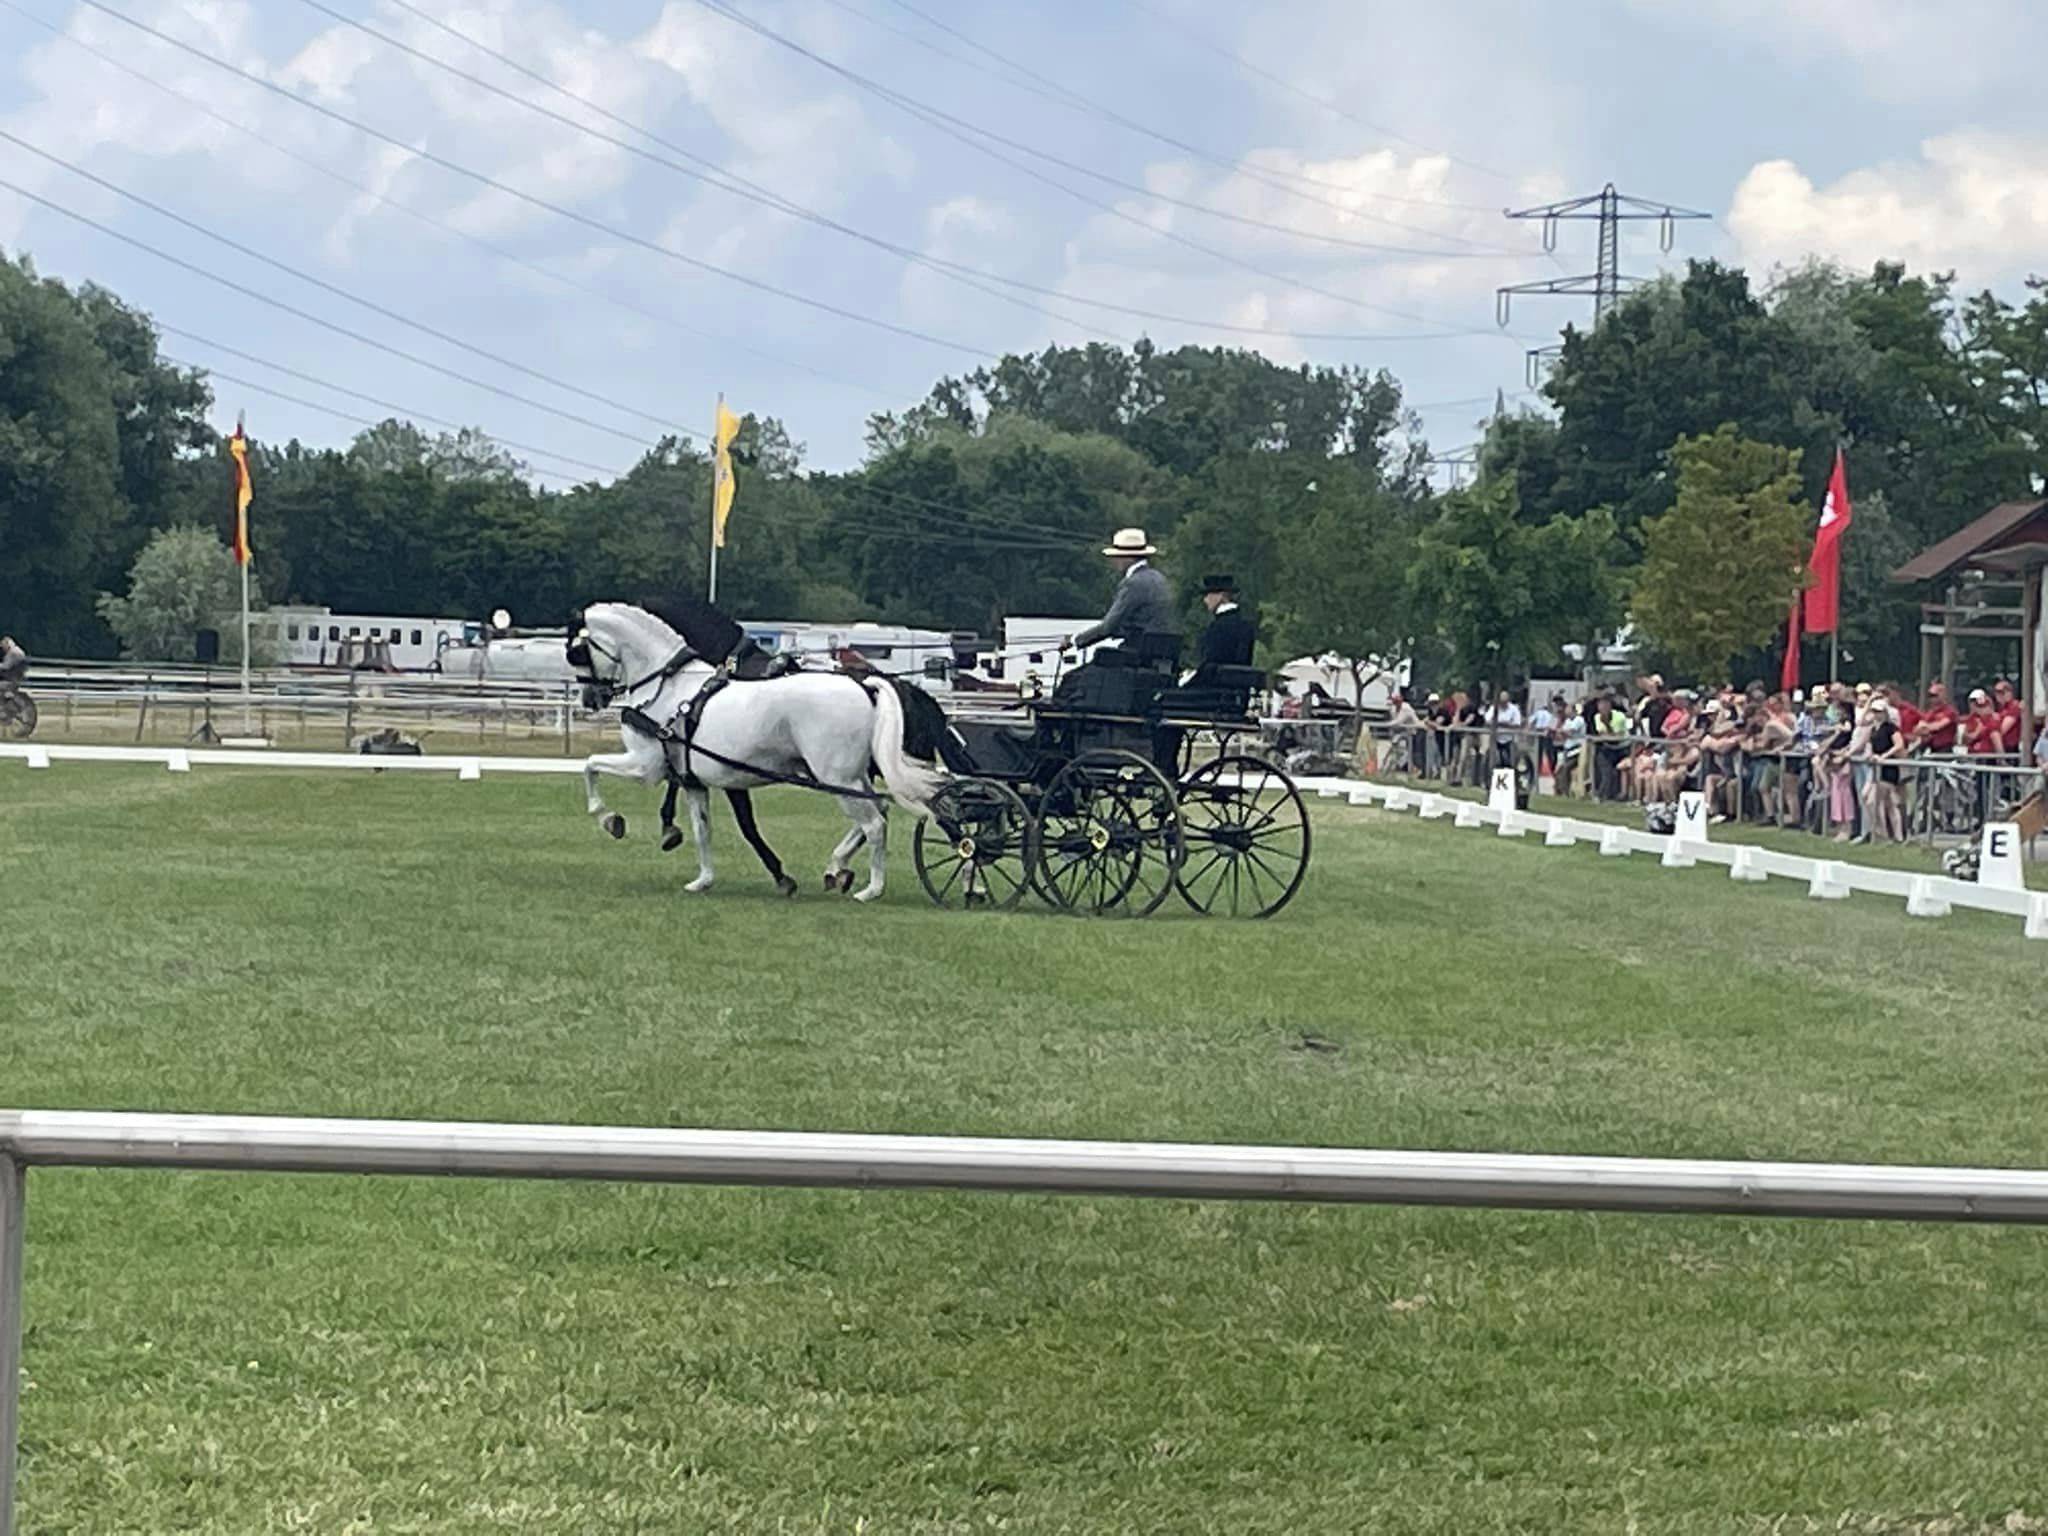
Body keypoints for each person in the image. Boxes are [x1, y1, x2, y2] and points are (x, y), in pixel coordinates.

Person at [1066, 528, 1177, 654]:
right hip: (1164, 652)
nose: (1113, 561)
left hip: (1140, 653)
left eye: (1116, 556)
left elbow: (1108, 626)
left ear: (1127, 557)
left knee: (1081, 672)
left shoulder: (1133, 583)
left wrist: (1074, 640)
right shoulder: (1161, 578)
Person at [0, 635, 24, 703]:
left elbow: (6, 666)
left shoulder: (13, 652)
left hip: (11, 680)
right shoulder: (16, 651)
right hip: (14, 678)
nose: (3, 648)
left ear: (8, 644)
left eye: (3, 646)